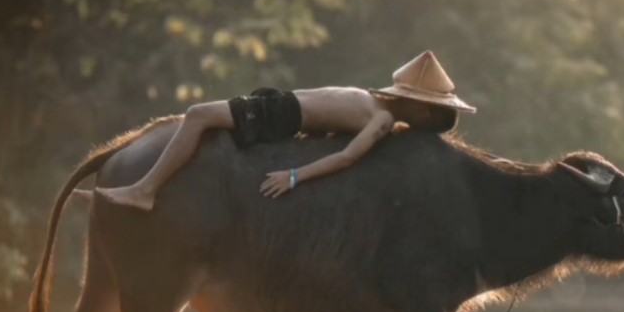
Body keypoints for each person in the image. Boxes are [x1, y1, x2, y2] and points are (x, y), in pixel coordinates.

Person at [94, 50, 476, 209]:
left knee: (197, 114)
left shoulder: (382, 122)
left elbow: (346, 157)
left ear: (421, 112)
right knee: (200, 118)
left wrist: (295, 175)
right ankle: (140, 188)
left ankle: (146, 189)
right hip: (280, 104)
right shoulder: (380, 108)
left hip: (281, 115)